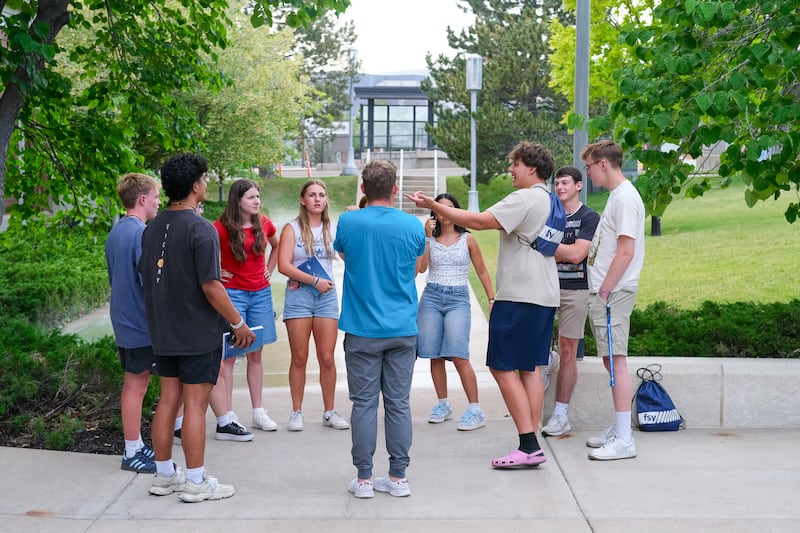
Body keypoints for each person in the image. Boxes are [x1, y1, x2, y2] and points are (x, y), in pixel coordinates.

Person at [406, 141, 559, 469]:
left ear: (531, 167)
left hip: (518, 295)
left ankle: (528, 445)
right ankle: (531, 439)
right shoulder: (550, 199)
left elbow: (477, 221)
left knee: (501, 366)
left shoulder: (524, 197)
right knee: (530, 368)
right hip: (544, 295)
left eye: (515, 164)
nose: (511, 169)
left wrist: (434, 205)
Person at [140, 153, 256, 503]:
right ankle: (195, 480)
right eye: (204, 179)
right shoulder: (201, 228)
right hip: (196, 332)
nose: (205, 184)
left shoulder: (152, 227)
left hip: (163, 330)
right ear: (195, 185)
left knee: (167, 401)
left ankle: (164, 476)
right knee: (195, 405)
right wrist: (238, 323)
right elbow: (211, 286)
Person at [335, 160, 426, 499]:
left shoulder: (348, 221)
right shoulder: (413, 225)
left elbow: (346, 256)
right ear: (395, 189)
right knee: (398, 403)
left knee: (364, 404)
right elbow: (416, 266)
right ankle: (398, 477)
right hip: (402, 327)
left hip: (361, 329)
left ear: (363, 189)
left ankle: (364, 479)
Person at [581, 140, 645, 461]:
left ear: (603, 164)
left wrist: (605, 290)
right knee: (611, 360)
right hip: (608, 292)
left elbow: (626, 251)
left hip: (614, 293)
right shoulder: (617, 197)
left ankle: (624, 439)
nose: (588, 173)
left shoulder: (625, 198)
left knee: (616, 360)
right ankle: (620, 429)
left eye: (589, 166)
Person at [417, 193, 494, 431]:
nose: (444, 212)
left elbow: (482, 271)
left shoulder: (468, 239)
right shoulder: (429, 238)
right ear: (435, 213)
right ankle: (443, 404)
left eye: (449, 207)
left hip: (457, 298)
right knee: (434, 355)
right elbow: (422, 268)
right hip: (431, 296)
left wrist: (491, 298)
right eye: (440, 208)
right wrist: (427, 237)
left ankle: (475, 409)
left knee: (460, 355)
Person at [277, 179, 349, 432]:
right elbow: (283, 265)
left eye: (321, 194)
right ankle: (296, 412)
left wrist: (353, 221)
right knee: (299, 357)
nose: (317, 199)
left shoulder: (333, 228)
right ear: (302, 200)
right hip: (300, 296)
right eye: (312, 195)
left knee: (327, 357)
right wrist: (312, 280)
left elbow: (347, 256)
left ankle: (329, 411)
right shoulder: (292, 229)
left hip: (326, 297)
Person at [213, 179, 280, 433]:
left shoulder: (264, 223)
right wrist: (216, 271)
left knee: (256, 354)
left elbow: (277, 245)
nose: (257, 201)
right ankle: (228, 416)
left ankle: (258, 412)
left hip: (260, 294)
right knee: (230, 356)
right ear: (237, 200)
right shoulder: (220, 228)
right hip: (233, 295)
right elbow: (203, 253)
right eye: (251, 197)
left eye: (258, 197)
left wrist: (269, 270)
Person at [105, 172, 161, 473]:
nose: (158, 202)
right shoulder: (141, 233)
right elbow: (149, 281)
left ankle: (136, 444)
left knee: (134, 384)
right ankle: (131, 451)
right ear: (142, 200)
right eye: (155, 197)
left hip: (124, 318)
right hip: (139, 322)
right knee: (136, 386)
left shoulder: (117, 231)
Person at [541, 167, 600, 437]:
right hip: (545, 286)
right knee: (537, 344)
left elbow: (577, 255)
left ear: (579, 185)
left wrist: (546, 247)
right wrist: (562, 250)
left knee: (568, 350)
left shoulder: (589, 217)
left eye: (565, 183)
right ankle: (546, 363)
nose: (560, 188)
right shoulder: (548, 214)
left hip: (576, 289)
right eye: (557, 183)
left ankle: (561, 415)